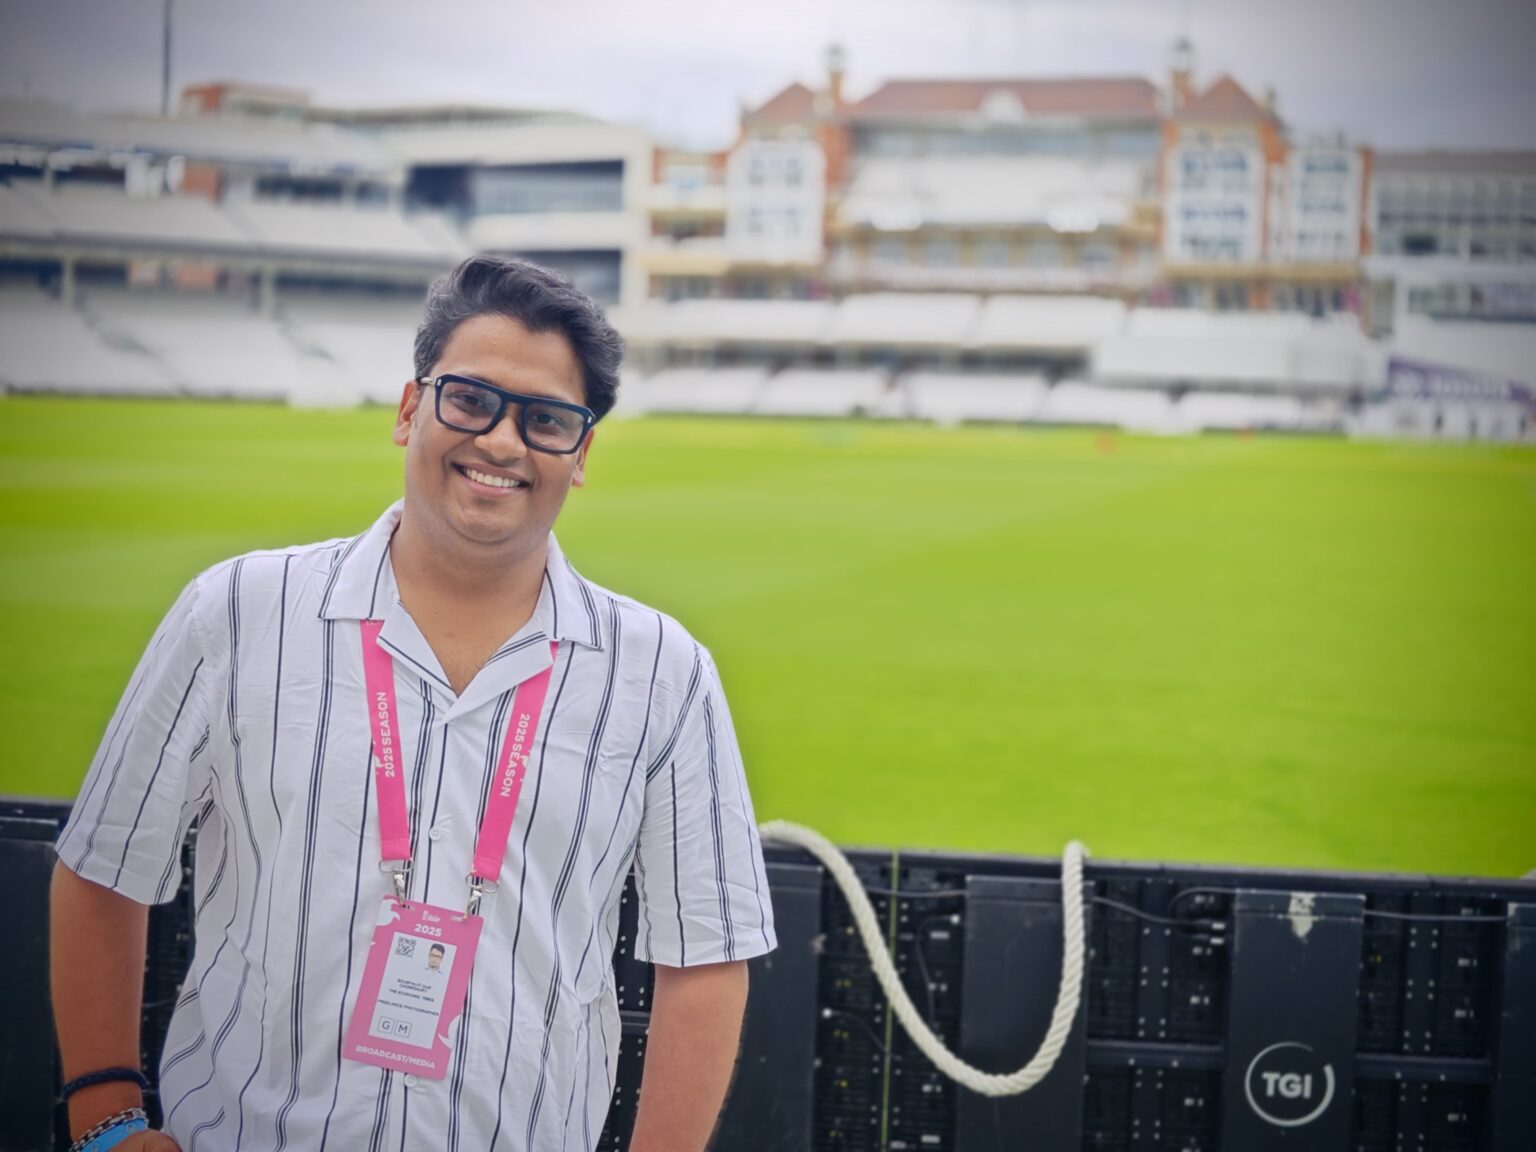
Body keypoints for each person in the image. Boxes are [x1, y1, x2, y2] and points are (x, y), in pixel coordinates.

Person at [51, 255, 776, 1152]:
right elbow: (105, 862)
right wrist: (105, 1118)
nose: (503, 442)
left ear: (580, 454)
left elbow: (706, 957)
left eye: (547, 419)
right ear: (409, 410)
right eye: (470, 400)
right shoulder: (235, 612)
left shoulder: (664, 672)